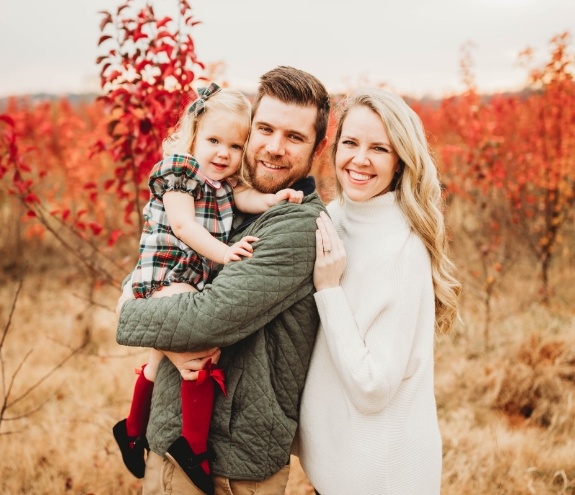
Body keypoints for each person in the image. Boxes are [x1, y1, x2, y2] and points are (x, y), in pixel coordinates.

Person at [115, 66, 331, 495]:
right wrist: (160, 332)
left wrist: (129, 314)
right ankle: (133, 427)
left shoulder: (296, 226)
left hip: (233, 467)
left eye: (294, 137)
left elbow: (205, 319)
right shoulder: (223, 195)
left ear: (318, 147)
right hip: (172, 440)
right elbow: (161, 269)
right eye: (264, 129)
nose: (273, 147)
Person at [296, 87, 462, 495]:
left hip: (380, 479)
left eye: (379, 149)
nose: (360, 159)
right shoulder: (334, 217)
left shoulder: (402, 249)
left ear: (400, 161)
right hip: (331, 473)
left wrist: (329, 291)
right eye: (350, 142)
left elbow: (374, 388)